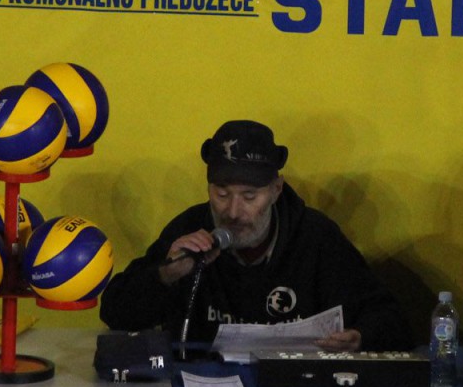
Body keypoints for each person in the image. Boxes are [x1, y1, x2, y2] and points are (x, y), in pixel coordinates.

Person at [99, 119, 410, 353]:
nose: (233, 212)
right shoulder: (190, 230)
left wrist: (361, 336)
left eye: (249, 197)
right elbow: (114, 312)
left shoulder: (315, 237)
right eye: (221, 194)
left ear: (276, 190)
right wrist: (166, 275)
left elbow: (390, 317)